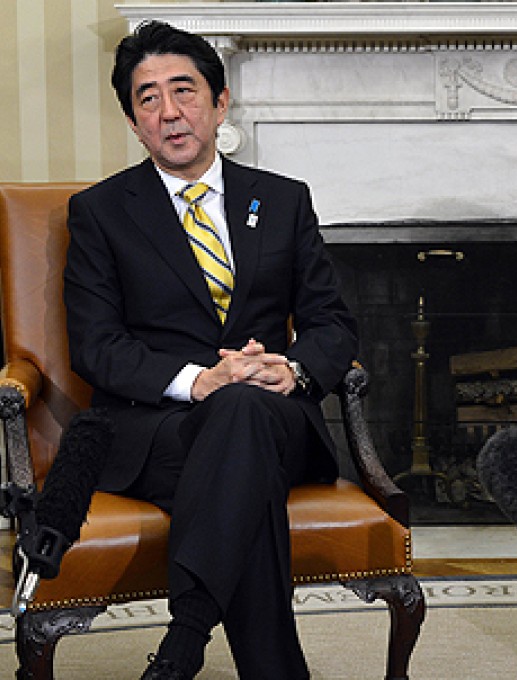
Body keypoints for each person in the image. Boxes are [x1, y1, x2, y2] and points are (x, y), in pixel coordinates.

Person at [63, 20, 358, 680]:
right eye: (148, 99)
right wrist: (199, 381)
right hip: (158, 429)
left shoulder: (282, 200)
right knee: (240, 445)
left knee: (245, 413)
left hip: (277, 416)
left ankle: (187, 635)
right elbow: (96, 346)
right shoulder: (101, 212)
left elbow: (332, 323)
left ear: (221, 102)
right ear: (133, 123)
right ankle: (230, 655)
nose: (169, 112)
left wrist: (291, 368)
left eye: (184, 90)